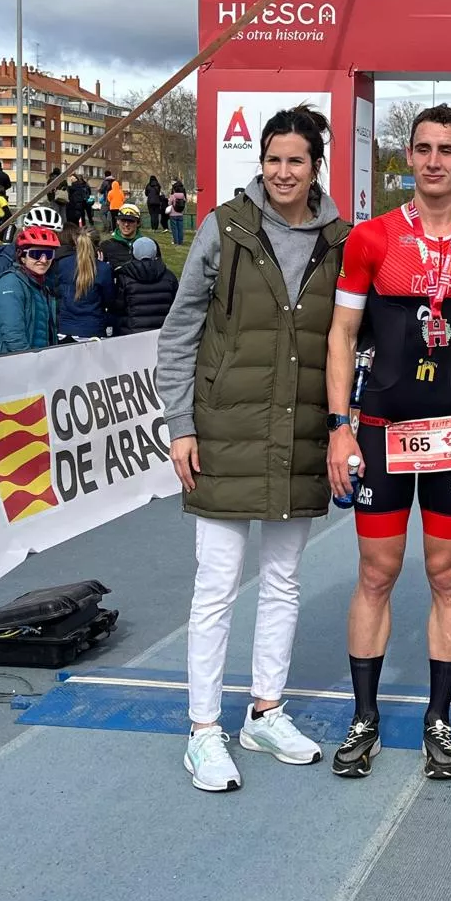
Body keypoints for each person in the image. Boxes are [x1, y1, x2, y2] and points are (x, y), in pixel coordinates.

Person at [156, 105, 351, 794]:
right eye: (273, 159)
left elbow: (346, 340)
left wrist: (343, 421)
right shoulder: (224, 228)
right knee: (215, 587)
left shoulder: (338, 238)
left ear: (314, 166)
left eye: (295, 160)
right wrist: (180, 423)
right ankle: (203, 729)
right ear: (261, 162)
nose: (282, 172)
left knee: (283, 581)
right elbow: (179, 331)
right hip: (221, 432)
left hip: (297, 436)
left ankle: (265, 711)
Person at [323, 104, 451, 782]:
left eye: (447, 150)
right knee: (376, 574)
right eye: (423, 149)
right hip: (380, 431)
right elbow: (341, 336)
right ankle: (365, 717)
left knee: (447, 575)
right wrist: (339, 427)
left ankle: (439, 718)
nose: (434, 161)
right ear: (407, 158)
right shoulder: (371, 238)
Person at [0, 225, 61, 354]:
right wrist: (29, 363)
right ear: (22, 256)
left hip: (41, 361)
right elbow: (13, 335)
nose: (43, 260)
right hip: (19, 365)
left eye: (48, 254)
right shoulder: (10, 284)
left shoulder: (41, 284)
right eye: (36, 254)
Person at [49, 225, 115, 341]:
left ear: (75, 242)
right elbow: (109, 301)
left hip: (65, 328)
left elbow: (56, 292)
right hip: (92, 329)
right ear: (97, 245)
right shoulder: (103, 269)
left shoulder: (63, 264)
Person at [111, 236, 178, 334]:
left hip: (131, 334)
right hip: (161, 333)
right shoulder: (169, 277)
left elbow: (117, 307)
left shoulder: (124, 278)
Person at [103, 203, 142, 271]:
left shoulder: (147, 245)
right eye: (123, 220)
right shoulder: (106, 246)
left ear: (138, 223)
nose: (126, 224)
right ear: (118, 221)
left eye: (130, 220)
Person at [167, 180, 188, 245]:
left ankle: (176, 242)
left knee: (175, 229)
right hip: (180, 214)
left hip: (173, 215)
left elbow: (169, 203)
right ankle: (180, 242)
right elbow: (184, 202)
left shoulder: (173, 196)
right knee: (180, 229)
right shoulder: (183, 196)